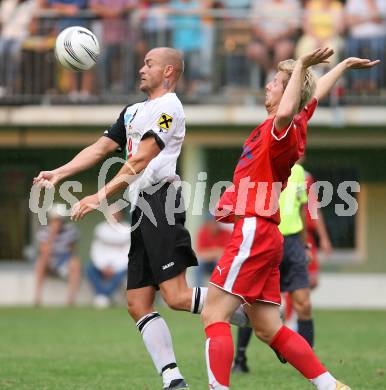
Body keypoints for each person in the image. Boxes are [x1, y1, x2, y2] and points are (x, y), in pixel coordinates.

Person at [33, 46, 247, 390]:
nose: (141, 68)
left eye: (149, 63)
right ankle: (173, 380)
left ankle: (243, 309)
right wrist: (60, 172)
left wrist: (100, 195)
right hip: (141, 206)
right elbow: (100, 148)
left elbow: (143, 158)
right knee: (137, 303)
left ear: (169, 72)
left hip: (162, 201)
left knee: (176, 297)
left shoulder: (169, 109)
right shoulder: (133, 111)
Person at [200, 47, 379, 390]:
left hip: (254, 229)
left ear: (288, 92)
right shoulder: (294, 121)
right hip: (267, 234)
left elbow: (292, 107)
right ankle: (331, 386)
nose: (269, 85)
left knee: (214, 314)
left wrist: (299, 66)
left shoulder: (280, 130)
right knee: (268, 327)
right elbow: (315, 94)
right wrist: (341, 65)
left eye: (276, 82)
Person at [233, 162, 314, 373]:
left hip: (293, 244)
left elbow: (302, 210)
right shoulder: (261, 167)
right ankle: (240, 359)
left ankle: (307, 362)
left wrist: (305, 245)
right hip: (266, 239)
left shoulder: (298, 173)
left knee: (303, 303)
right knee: (252, 302)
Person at [34, 203, 81, 306]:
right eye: (55, 219)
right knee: (41, 261)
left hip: (64, 261)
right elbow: (44, 252)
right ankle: (37, 298)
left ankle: (70, 300)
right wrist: (52, 235)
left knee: (75, 263)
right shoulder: (44, 232)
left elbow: (72, 251)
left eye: (59, 219)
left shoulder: (70, 230)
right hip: (50, 261)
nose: (58, 222)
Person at [86, 208, 130, 308]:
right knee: (89, 269)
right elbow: (96, 249)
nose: (114, 215)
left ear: (121, 214)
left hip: (121, 266)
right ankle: (103, 296)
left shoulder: (128, 229)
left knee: (122, 273)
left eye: (116, 213)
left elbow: (129, 252)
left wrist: (116, 267)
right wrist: (103, 266)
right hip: (102, 265)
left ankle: (103, 296)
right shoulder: (100, 229)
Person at [195, 216, 232, 287]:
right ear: (207, 224)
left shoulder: (226, 233)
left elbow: (228, 253)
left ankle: (220, 289)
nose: (214, 225)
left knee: (221, 263)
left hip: (219, 263)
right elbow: (200, 253)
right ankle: (198, 289)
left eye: (216, 222)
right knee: (198, 265)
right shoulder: (203, 232)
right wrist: (216, 252)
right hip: (207, 263)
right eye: (211, 223)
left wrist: (211, 253)